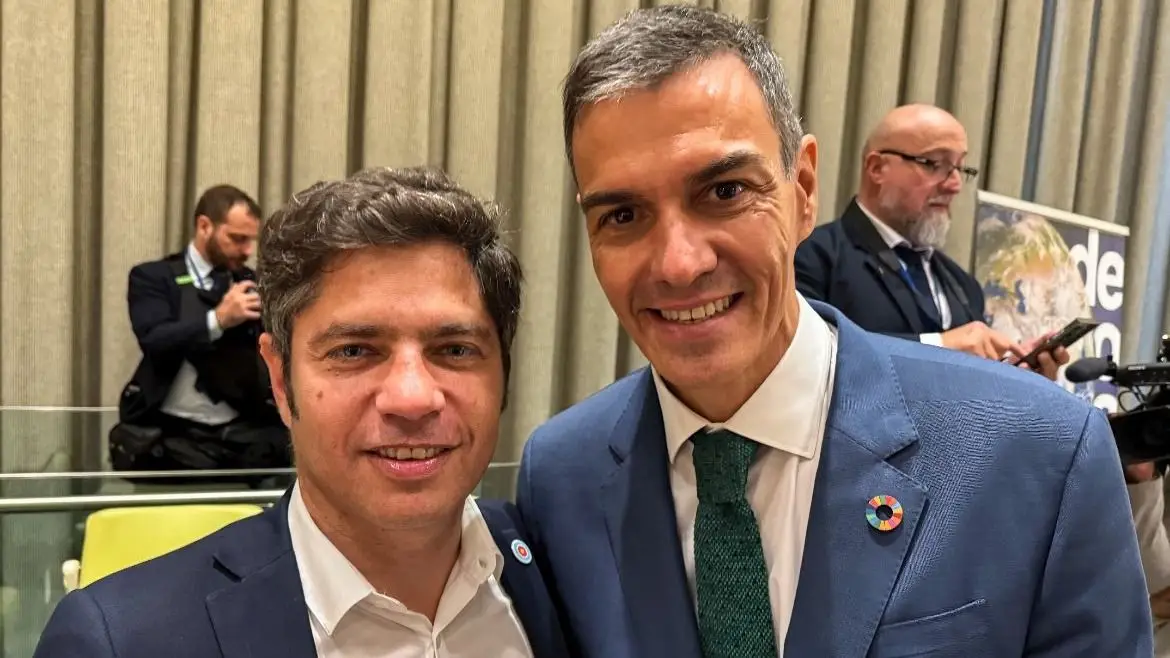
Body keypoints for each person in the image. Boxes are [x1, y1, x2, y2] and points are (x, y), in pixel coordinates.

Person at [516, 6, 1151, 657]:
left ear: (803, 189)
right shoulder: (563, 478)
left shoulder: (1038, 452)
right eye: (623, 214)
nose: (679, 264)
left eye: (725, 191)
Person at [35, 167, 568, 657]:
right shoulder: (117, 641)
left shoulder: (561, 569)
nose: (411, 397)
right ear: (280, 380)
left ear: (503, 371)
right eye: (353, 351)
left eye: (454, 349)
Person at [794, 104, 1070, 381]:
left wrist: (1015, 375)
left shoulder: (964, 286)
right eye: (935, 164)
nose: (955, 185)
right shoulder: (810, 256)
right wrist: (939, 346)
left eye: (960, 168)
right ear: (877, 168)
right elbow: (808, 353)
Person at [108, 184, 290, 472]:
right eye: (237, 239)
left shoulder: (251, 282)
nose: (247, 251)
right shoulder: (153, 277)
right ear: (205, 226)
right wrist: (218, 319)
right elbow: (154, 339)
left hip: (243, 438)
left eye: (251, 241)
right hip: (169, 436)